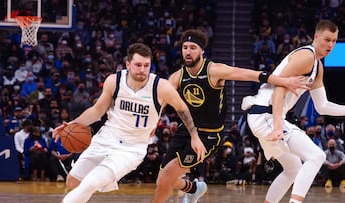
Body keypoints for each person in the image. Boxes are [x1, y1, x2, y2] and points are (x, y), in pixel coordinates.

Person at [152, 29, 308, 203]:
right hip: (186, 129)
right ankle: (195, 188)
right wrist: (154, 121)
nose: (188, 51)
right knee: (162, 180)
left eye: (193, 47)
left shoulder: (214, 70)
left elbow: (250, 74)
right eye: (185, 47)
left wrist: (283, 81)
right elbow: (162, 100)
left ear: (202, 51)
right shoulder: (178, 76)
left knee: (165, 178)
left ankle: (192, 189)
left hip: (208, 135)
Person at [52, 43, 206, 203]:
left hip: (131, 148)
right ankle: (193, 188)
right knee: (73, 182)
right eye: (138, 65)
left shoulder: (161, 87)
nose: (142, 69)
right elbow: (97, 110)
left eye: (146, 65)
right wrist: (72, 124)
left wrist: (194, 135)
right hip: (106, 138)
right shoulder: (114, 81)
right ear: (127, 64)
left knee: (91, 182)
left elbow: (183, 108)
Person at [241, 19, 345, 203]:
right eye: (327, 39)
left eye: (334, 41)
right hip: (266, 114)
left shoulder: (317, 66)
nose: (331, 45)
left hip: (268, 116)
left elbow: (322, 106)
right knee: (317, 156)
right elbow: (279, 87)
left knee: (293, 169)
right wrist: (278, 126)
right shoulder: (306, 56)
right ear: (316, 37)